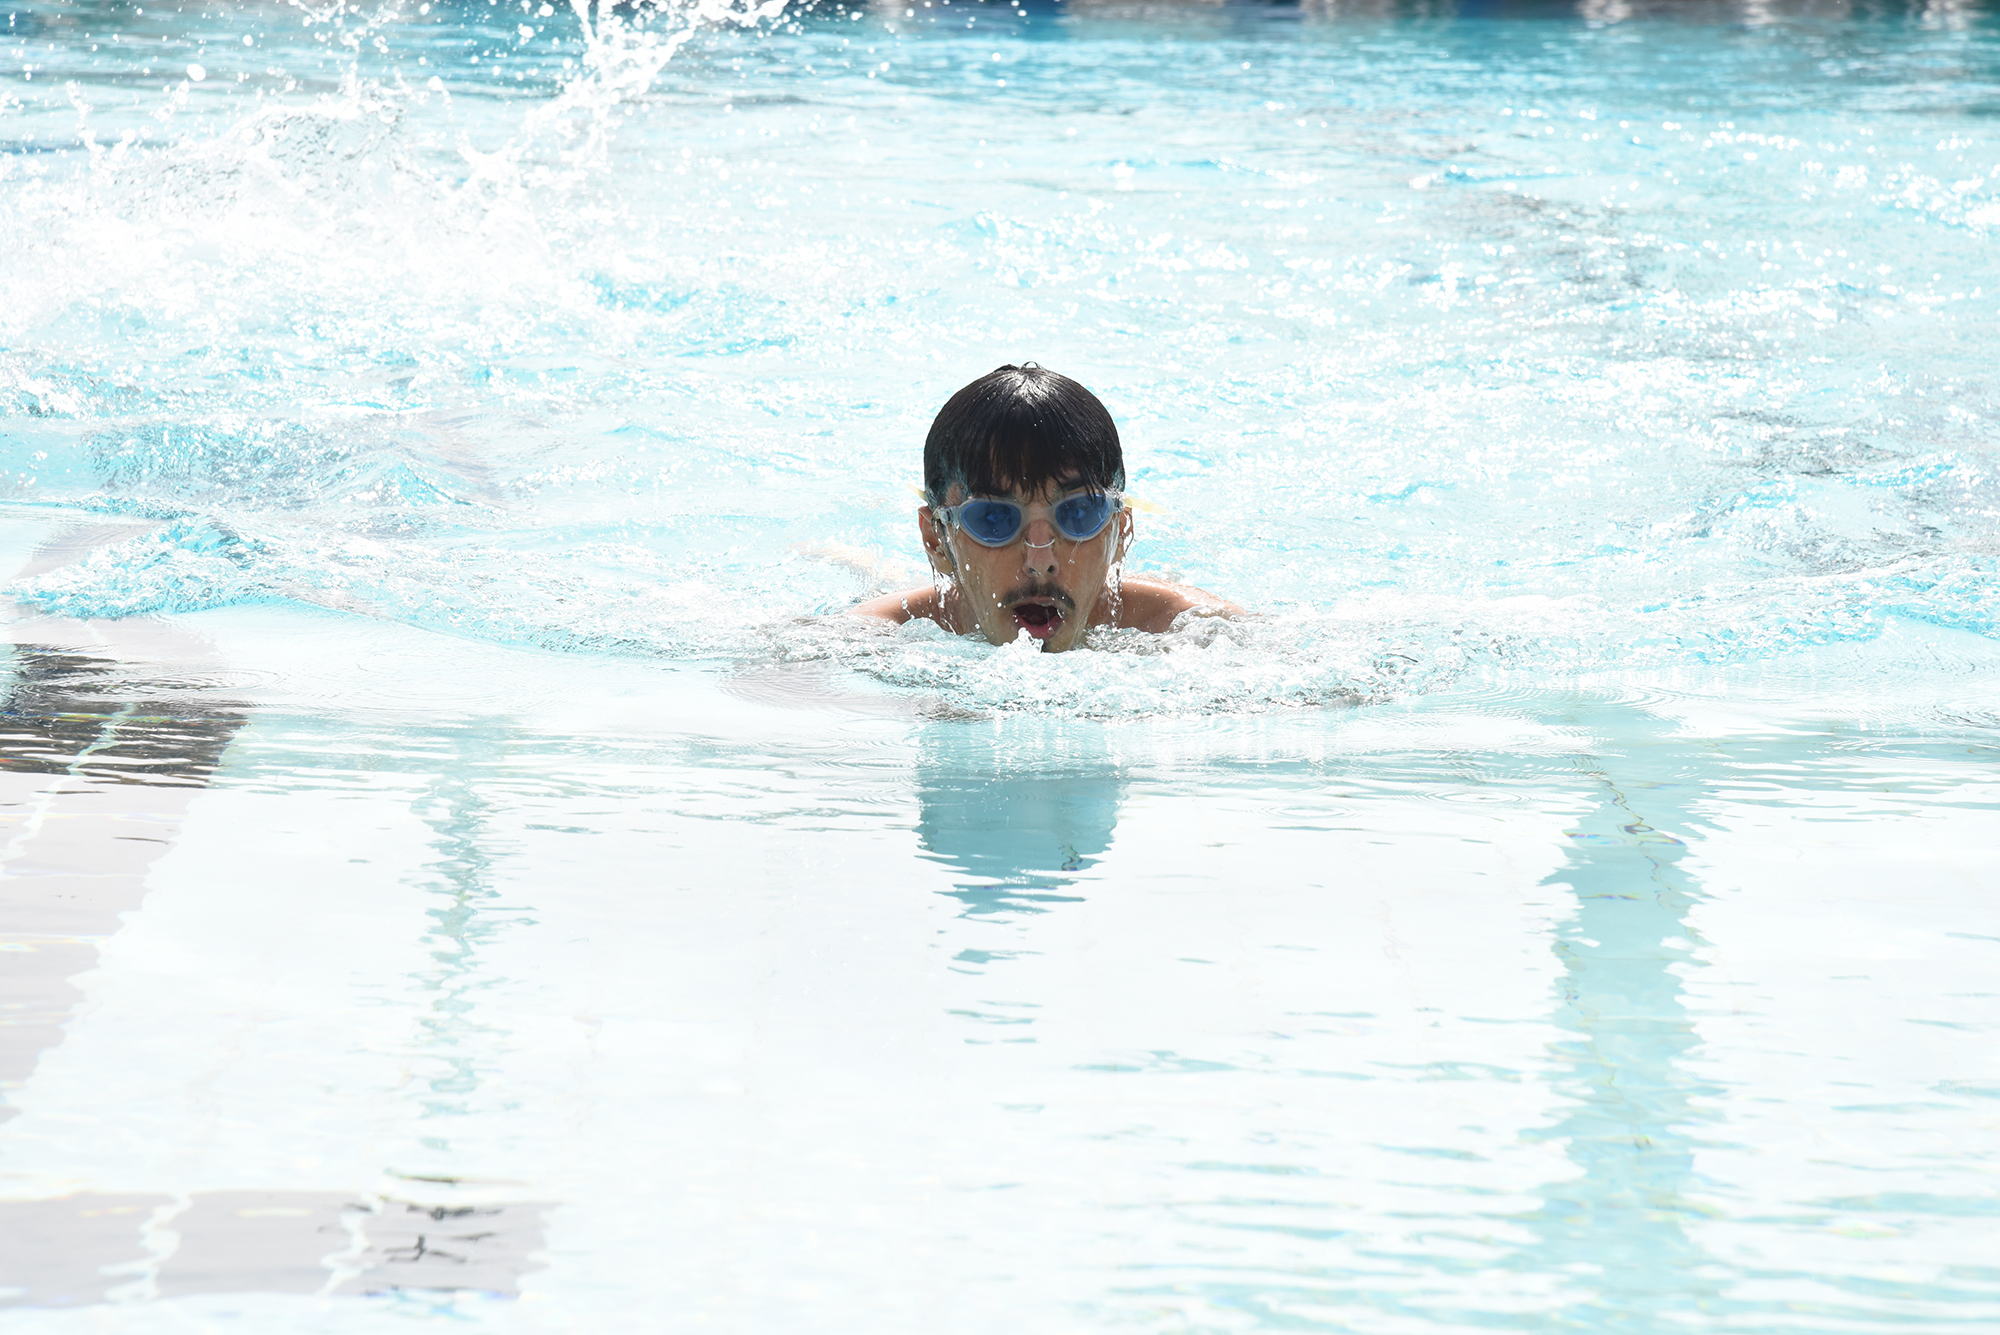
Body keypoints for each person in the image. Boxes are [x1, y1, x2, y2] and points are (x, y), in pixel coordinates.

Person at [850, 364, 1238, 652]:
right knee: (879, 575)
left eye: (1079, 514)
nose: (1040, 561)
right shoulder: (872, 638)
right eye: (994, 518)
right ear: (936, 540)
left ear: (1120, 532)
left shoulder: (1192, 629)